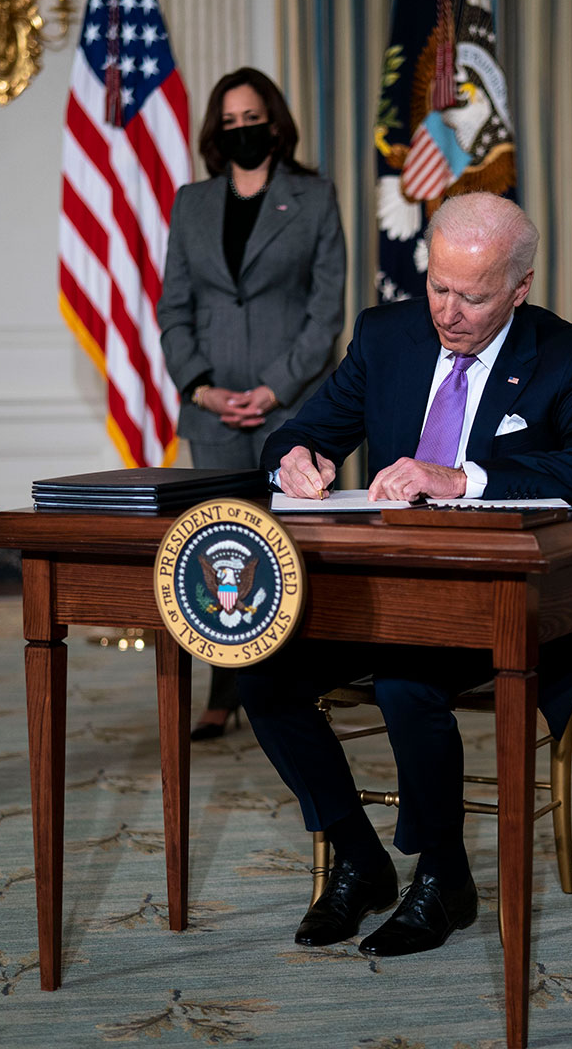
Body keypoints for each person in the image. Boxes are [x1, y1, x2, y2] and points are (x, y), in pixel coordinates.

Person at [241, 192, 572, 958]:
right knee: (260, 670)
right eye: (437, 287)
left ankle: (444, 877)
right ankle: (361, 859)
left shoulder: (568, 355)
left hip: (501, 605)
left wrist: (463, 479)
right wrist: (295, 460)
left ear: (519, 287)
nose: (448, 312)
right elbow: (302, 432)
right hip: (381, 594)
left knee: (406, 682)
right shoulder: (386, 336)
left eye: (473, 297)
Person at [157, 68, 346, 741]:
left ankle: (306, 686)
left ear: (274, 123)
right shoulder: (192, 202)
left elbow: (326, 311)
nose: (242, 130)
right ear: (217, 130)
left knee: (295, 547)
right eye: (230, 121)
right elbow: (174, 308)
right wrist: (201, 387)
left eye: (253, 119)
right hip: (211, 410)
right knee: (214, 548)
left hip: (291, 407)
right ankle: (222, 689)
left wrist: (273, 388)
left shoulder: (314, 198)